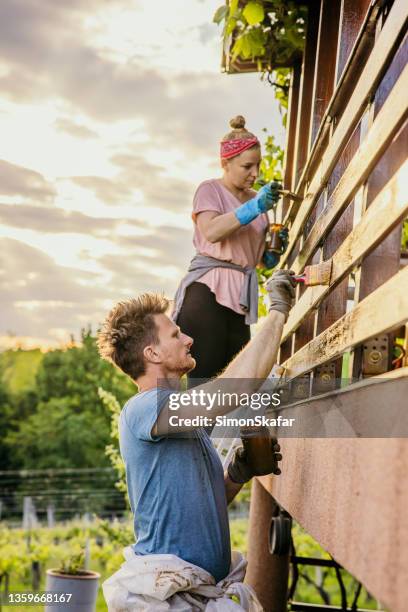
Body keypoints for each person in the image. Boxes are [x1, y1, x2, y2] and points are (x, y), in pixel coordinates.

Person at [97, 270, 295, 609]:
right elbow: (235, 388)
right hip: (170, 600)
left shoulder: (188, 424)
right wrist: (277, 310)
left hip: (195, 595)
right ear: (153, 354)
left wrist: (236, 475)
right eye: (175, 334)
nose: (188, 339)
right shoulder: (144, 408)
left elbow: (198, 508)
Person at [173, 115, 287, 385]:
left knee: (236, 385)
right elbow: (211, 231)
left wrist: (273, 250)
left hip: (239, 302)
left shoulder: (257, 201)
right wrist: (254, 208)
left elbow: (257, 261)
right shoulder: (210, 190)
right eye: (247, 166)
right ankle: (193, 429)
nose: (255, 173)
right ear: (225, 163)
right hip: (207, 295)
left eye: (258, 165)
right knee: (205, 386)